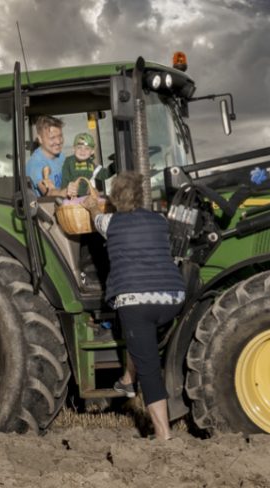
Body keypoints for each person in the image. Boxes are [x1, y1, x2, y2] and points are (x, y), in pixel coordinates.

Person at [81, 172, 185, 440]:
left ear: (114, 199)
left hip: (136, 302)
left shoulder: (110, 222)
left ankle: (163, 434)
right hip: (172, 298)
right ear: (142, 196)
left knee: (148, 367)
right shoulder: (159, 220)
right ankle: (127, 380)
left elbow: (94, 215)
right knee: (141, 344)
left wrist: (93, 203)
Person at [25, 115, 77, 197]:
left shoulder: (60, 156)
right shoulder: (35, 164)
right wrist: (66, 191)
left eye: (60, 136)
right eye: (52, 138)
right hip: (47, 208)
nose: (58, 141)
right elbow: (49, 192)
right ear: (40, 139)